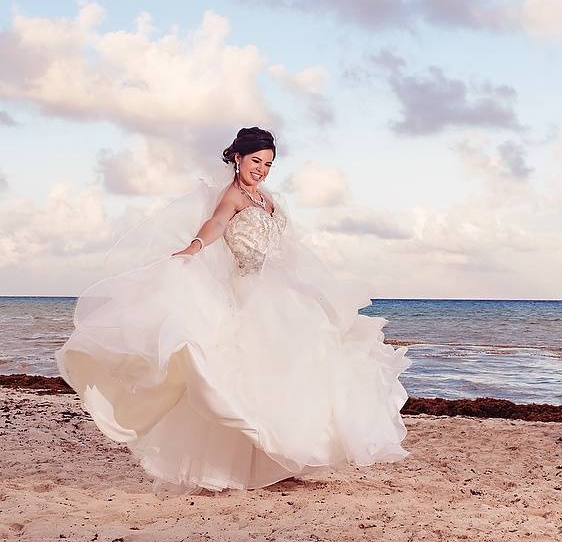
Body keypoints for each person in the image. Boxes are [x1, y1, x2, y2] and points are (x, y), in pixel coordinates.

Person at [56, 127, 410, 493]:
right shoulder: (232, 196)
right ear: (237, 158)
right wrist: (194, 246)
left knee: (297, 368)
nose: (262, 169)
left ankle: (282, 455)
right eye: (256, 161)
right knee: (255, 374)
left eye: (269, 163)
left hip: (283, 288)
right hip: (252, 291)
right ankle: (259, 456)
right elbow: (217, 224)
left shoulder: (266, 197)